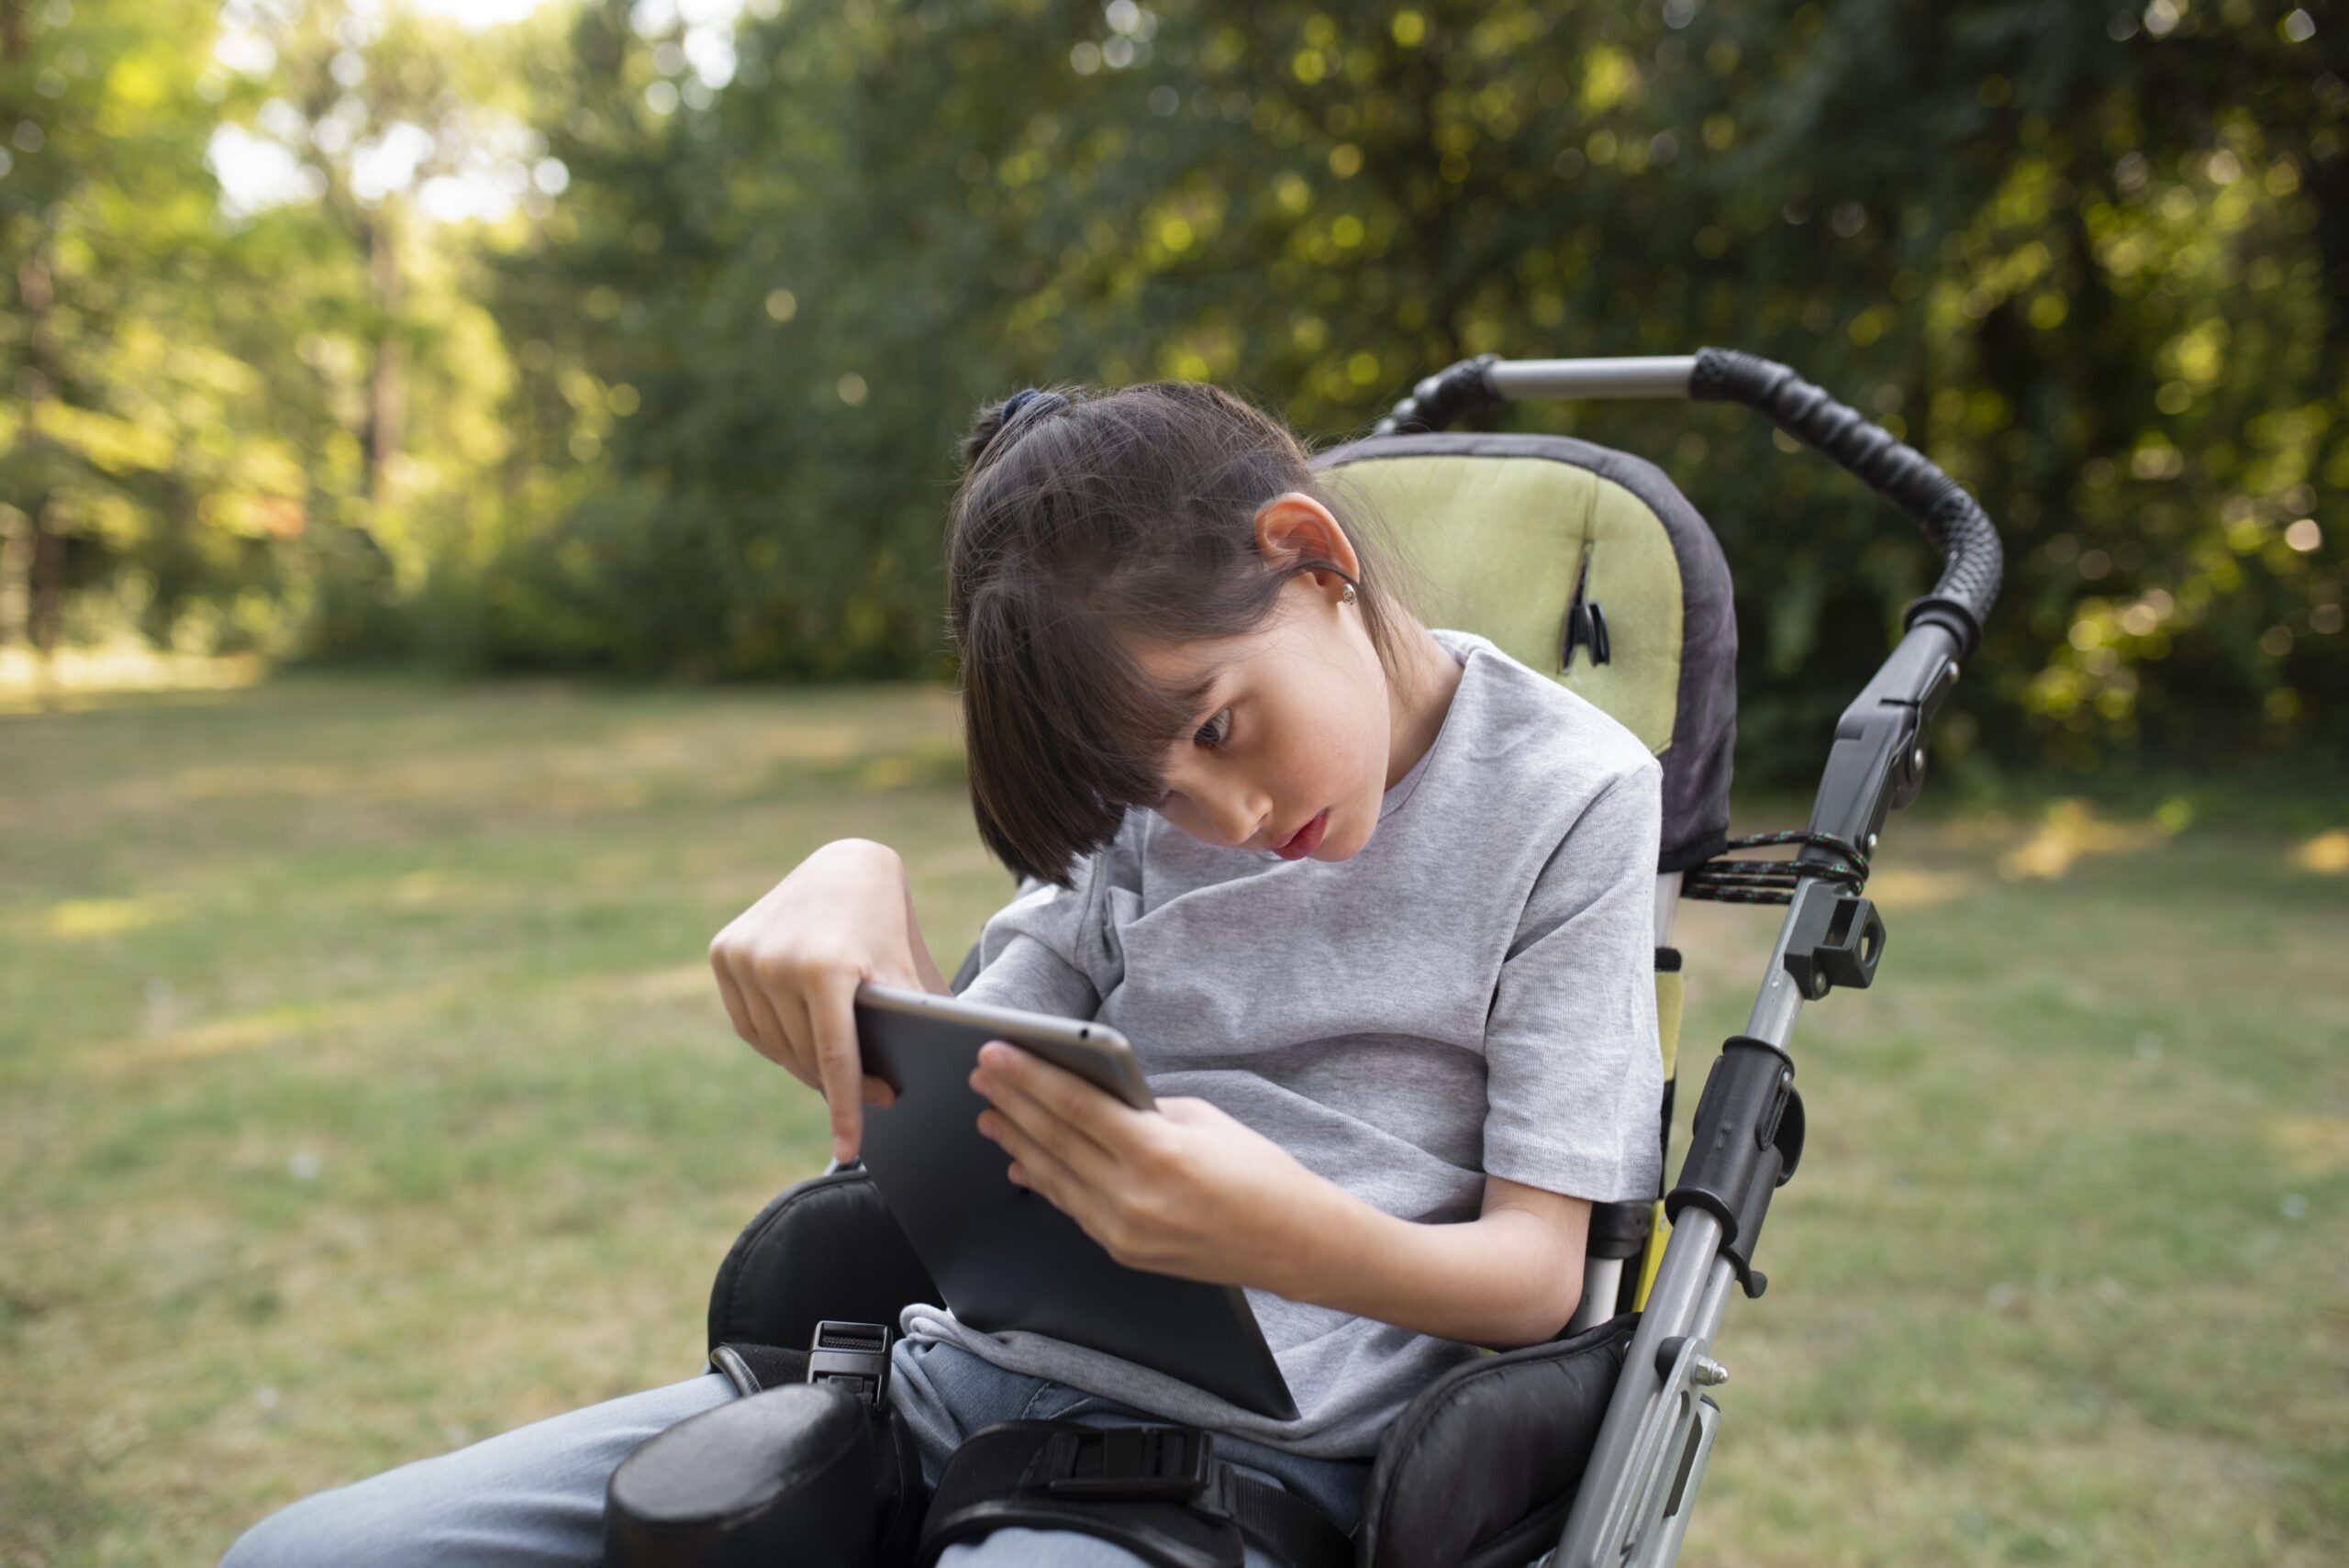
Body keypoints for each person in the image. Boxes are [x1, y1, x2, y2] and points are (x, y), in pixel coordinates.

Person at [219, 381, 1664, 1568]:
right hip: (934, 1393)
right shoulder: (1148, 801)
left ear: (1314, 554)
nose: (1218, 820)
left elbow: (1539, 1280)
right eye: (1155, 793)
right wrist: (858, 883)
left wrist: (1270, 1231)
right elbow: (975, 1087)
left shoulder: (1573, 797)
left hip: (1241, 1475)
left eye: (1222, 728)